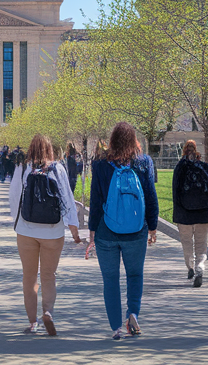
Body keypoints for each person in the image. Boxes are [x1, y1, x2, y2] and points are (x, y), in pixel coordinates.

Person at [87, 122, 159, 340]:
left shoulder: (100, 164)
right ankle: (133, 314)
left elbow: (96, 201)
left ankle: (116, 328)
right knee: (135, 274)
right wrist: (153, 226)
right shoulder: (144, 162)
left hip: (106, 232)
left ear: (112, 140)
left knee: (110, 279)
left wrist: (92, 232)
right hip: (136, 231)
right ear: (134, 139)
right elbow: (151, 196)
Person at [8, 133, 80, 335]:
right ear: (50, 149)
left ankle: (32, 323)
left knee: (29, 277)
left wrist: (17, 221)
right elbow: (67, 197)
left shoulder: (23, 168)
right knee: (49, 276)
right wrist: (73, 227)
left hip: (26, 230)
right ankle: (48, 312)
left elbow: (14, 196)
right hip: (53, 231)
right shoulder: (58, 168)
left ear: (30, 149)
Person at [172, 139, 208, 286]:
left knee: (187, 243)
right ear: (196, 150)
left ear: (184, 150)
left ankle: (190, 267)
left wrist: (177, 213)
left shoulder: (180, 167)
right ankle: (200, 267)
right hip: (203, 213)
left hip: (184, 213)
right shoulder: (205, 167)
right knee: (201, 244)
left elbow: (175, 191)